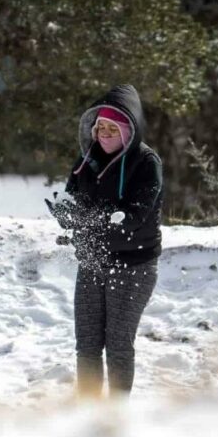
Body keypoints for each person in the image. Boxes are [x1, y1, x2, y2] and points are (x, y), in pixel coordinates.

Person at [46, 84, 162, 398]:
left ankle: (116, 414)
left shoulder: (146, 163)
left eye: (113, 128)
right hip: (92, 259)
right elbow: (73, 199)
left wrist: (101, 218)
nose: (105, 134)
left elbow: (135, 214)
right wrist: (66, 214)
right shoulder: (86, 161)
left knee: (118, 344)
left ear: (129, 130)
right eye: (101, 127)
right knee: (87, 343)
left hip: (133, 264)